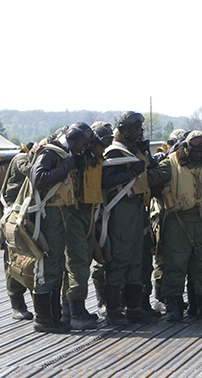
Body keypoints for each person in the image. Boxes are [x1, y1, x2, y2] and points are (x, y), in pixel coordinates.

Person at [147, 131, 202, 321]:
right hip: (178, 220)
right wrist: (150, 163)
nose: (198, 153)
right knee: (175, 264)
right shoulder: (170, 164)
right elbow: (149, 179)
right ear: (186, 147)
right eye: (195, 149)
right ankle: (173, 306)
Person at [28, 123, 95, 333]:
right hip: (50, 215)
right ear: (73, 139)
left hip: (60, 214)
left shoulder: (62, 153)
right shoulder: (50, 153)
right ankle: (43, 318)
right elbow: (38, 179)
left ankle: (54, 316)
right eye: (82, 144)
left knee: (57, 265)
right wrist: (66, 167)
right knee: (48, 265)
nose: (83, 148)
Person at [100, 111, 155, 326]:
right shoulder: (115, 151)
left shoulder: (135, 150)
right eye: (133, 129)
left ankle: (134, 307)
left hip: (138, 209)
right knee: (121, 258)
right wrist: (131, 173)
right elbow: (106, 180)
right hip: (122, 209)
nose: (137, 132)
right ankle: (113, 310)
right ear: (123, 130)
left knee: (136, 259)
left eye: (139, 129)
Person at [60, 123, 113, 330]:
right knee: (77, 263)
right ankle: (75, 312)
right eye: (101, 144)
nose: (104, 149)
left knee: (82, 262)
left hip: (89, 213)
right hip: (74, 213)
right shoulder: (72, 157)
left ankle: (70, 310)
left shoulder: (94, 159)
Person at [0, 143, 34, 320]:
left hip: (29, 213)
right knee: (14, 261)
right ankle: (17, 305)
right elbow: (30, 170)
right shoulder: (22, 158)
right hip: (15, 215)